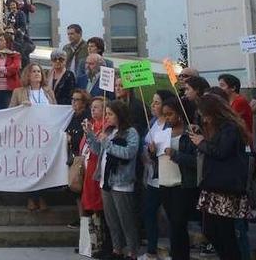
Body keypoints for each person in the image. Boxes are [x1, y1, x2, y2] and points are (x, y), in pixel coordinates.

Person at [191, 94, 253, 259]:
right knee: (210, 230)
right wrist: (202, 134)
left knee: (226, 233)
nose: (203, 119)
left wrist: (201, 143)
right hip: (213, 185)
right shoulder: (217, 128)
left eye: (205, 115)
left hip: (225, 187)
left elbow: (221, 151)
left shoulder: (230, 127)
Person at [82, 100, 141, 260]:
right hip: (106, 181)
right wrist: (90, 135)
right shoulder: (109, 131)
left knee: (126, 220)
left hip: (121, 182)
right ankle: (116, 249)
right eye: (106, 113)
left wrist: (106, 142)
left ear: (119, 115)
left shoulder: (130, 132)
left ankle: (132, 252)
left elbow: (128, 153)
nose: (107, 117)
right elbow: (97, 150)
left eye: (110, 114)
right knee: (112, 220)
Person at [10, 63, 56, 211]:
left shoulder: (48, 91)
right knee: (30, 167)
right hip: (27, 136)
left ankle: (42, 197)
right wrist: (20, 108)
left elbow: (56, 110)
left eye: (39, 71)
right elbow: (10, 113)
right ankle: (31, 197)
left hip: (45, 135)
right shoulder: (19, 92)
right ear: (27, 75)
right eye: (33, 71)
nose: (37, 74)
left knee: (42, 167)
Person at [158, 97, 197, 260]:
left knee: (178, 224)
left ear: (180, 114)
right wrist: (152, 151)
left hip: (181, 185)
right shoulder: (162, 131)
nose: (167, 118)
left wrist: (175, 155)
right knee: (172, 225)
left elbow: (195, 161)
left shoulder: (190, 133)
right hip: (164, 183)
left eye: (170, 114)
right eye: (164, 115)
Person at [141, 91, 170, 260]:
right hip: (151, 177)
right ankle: (151, 250)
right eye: (152, 102)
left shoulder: (170, 124)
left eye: (157, 102)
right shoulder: (152, 122)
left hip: (165, 177)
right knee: (149, 212)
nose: (152, 105)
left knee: (171, 217)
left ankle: (175, 250)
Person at [80, 96, 110, 257]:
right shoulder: (91, 124)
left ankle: (101, 243)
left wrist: (90, 133)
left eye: (97, 107)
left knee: (99, 207)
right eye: (92, 107)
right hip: (88, 170)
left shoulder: (105, 127)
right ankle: (91, 243)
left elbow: (97, 148)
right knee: (90, 206)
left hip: (97, 171)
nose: (93, 110)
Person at [65, 89, 90, 228]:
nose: (73, 102)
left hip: (83, 158)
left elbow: (83, 139)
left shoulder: (85, 118)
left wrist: (70, 139)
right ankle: (81, 218)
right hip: (74, 158)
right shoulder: (73, 116)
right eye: (72, 99)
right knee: (76, 191)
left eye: (77, 100)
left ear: (84, 102)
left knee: (82, 190)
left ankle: (85, 218)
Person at [0, 31, 21, 111]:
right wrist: (6, 71)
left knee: (8, 113)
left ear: (7, 42)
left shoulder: (15, 55)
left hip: (9, 91)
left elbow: (14, 69)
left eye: (1, 40)